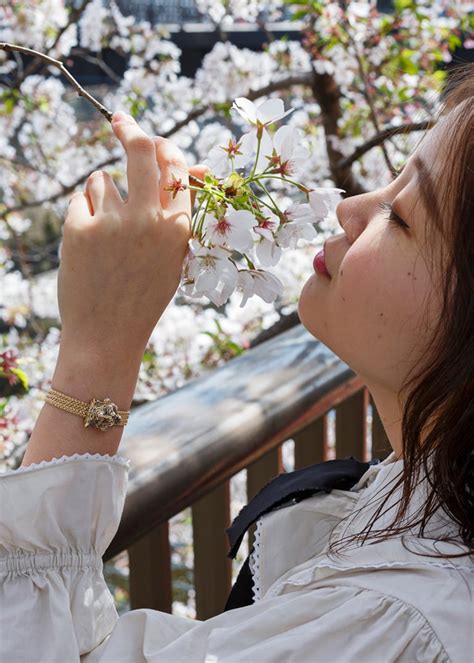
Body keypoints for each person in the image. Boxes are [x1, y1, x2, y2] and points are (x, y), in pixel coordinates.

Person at [0, 65, 472, 662]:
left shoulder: (390, 628)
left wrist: (98, 347)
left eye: (400, 217)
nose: (350, 209)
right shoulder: (418, 522)